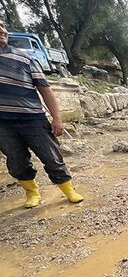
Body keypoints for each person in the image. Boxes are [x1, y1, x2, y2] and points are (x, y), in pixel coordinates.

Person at [0, 20, 83, 208]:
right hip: (2, 124)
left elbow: (45, 90)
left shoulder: (24, 58)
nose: (2, 30)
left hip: (33, 119)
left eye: (3, 26)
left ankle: (68, 190)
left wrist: (57, 118)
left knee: (52, 156)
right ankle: (32, 192)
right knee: (16, 160)